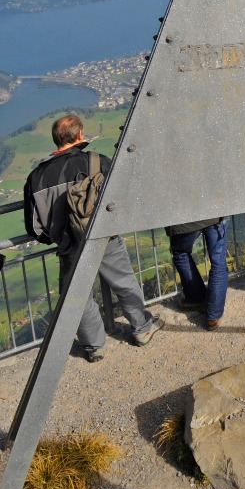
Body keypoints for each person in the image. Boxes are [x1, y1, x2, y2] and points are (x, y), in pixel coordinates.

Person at [23, 113, 160, 361]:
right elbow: (120, 200)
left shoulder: (37, 177)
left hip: (68, 245)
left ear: (56, 139)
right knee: (123, 282)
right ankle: (142, 328)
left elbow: (34, 228)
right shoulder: (97, 162)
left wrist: (56, 236)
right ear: (79, 135)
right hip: (102, 238)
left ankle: (94, 346)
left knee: (78, 296)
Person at [164, 216, 228, 328]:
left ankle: (196, 299)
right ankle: (213, 316)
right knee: (218, 263)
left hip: (183, 219)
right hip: (215, 214)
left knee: (180, 253)